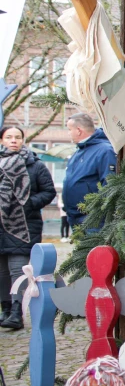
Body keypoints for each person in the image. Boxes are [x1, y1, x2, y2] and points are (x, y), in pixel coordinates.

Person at [0, 126, 56, 330]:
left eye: (17, 137)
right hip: (1, 225)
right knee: (2, 273)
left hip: (23, 226)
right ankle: (5, 310)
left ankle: (17, 312)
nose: (13, 140)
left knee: (18, 270)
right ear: (2, 140)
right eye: (9, 137)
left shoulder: (35, 165)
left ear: (23, 140)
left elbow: (49, 191)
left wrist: (28, 204)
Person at [62, 113, 116, 228]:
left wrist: (98, 213)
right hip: (75, 217)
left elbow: (109, 184)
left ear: (78, 130)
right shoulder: (78, 152)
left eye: (69, 129)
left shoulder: (104, 151)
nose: (68, 133)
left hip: (93, 220)